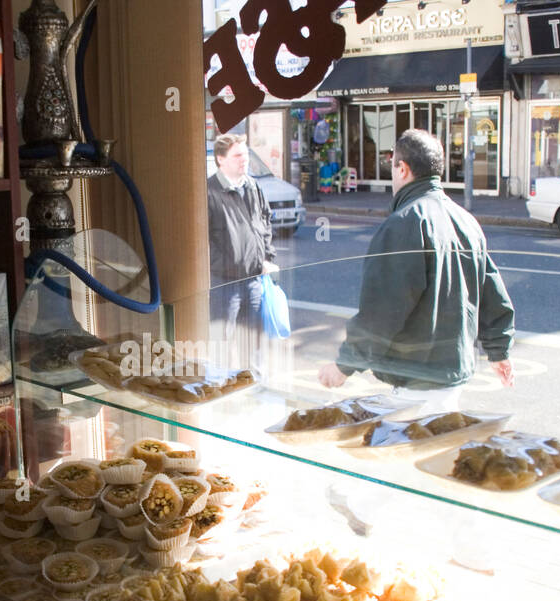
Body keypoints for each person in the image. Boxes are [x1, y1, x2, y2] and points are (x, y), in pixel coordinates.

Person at [318, 128, 515, 412]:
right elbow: (491, 292)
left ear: (403, 169)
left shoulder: (404, 223)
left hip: (416, 380)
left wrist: (344, 365)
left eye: (392, 165)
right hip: (451, 375)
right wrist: (499, 351)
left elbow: (383, 310)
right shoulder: (466, 220)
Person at [207, 135, 276, 350]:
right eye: (237, 155)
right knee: (221, 344)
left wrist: (266, 257)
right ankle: (219, 382)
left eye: (245, 155)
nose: (244, 160)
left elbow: (264, 222)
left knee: (253, 343)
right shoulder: (209, 191)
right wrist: (224, 263)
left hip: (254, 279)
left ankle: (252, 381)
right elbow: (202, 239)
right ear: (221, 159)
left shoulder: (253, 187)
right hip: (224, 282)